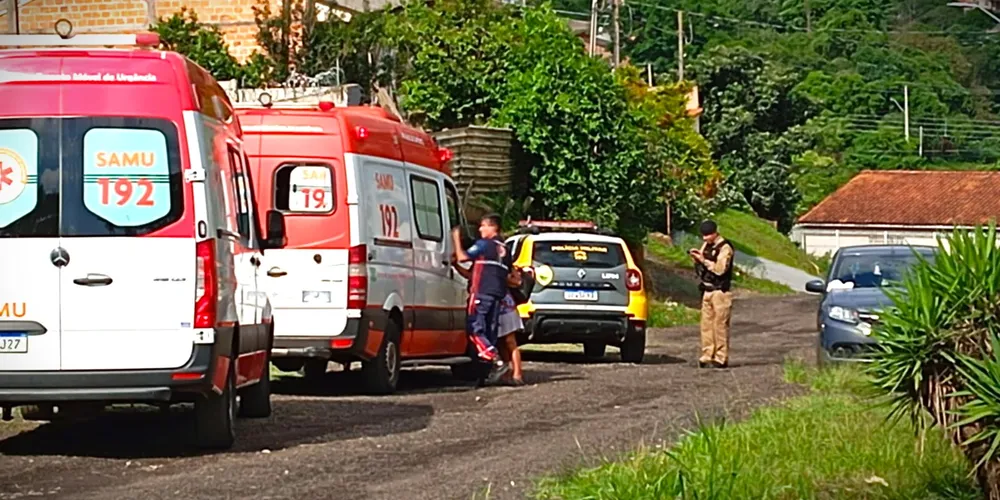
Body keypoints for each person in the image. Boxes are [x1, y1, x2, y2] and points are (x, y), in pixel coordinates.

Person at [451, 214, 512, 384]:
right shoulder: (505, 249)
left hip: (481, 293)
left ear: (493, 227)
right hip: (496, 295)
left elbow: (463, 257)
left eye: (483, 226)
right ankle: (486, 373)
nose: (480, 230)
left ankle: (496, 361)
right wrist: (455, 267)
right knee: (489, 333)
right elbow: (473, 273)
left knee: (475, 329)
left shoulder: (484, 245)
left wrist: (456, 239)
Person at [454, 262, 526, 386]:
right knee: (499, 343)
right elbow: (470, 275)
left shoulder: (503, 263)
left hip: (506, 307)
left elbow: (517, 281)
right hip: (493, 306)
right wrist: (456, 266)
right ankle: (505, 373)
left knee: (510, 341)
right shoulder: (481, 262)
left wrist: (500, 278)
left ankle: (517, 375)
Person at [689, 219, 735, 369]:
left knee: (719, 326)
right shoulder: (707, 246)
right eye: (703, 235)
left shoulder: (725, 248)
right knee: (706, 325)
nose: (704, 239)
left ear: (715, 233)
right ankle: (707, 354)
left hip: (720, 292)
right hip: (707, 290)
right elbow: (702, 261)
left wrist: (704, 260)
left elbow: (720, 269)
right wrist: (697, 259)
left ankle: (721, 357)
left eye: (707, 235)